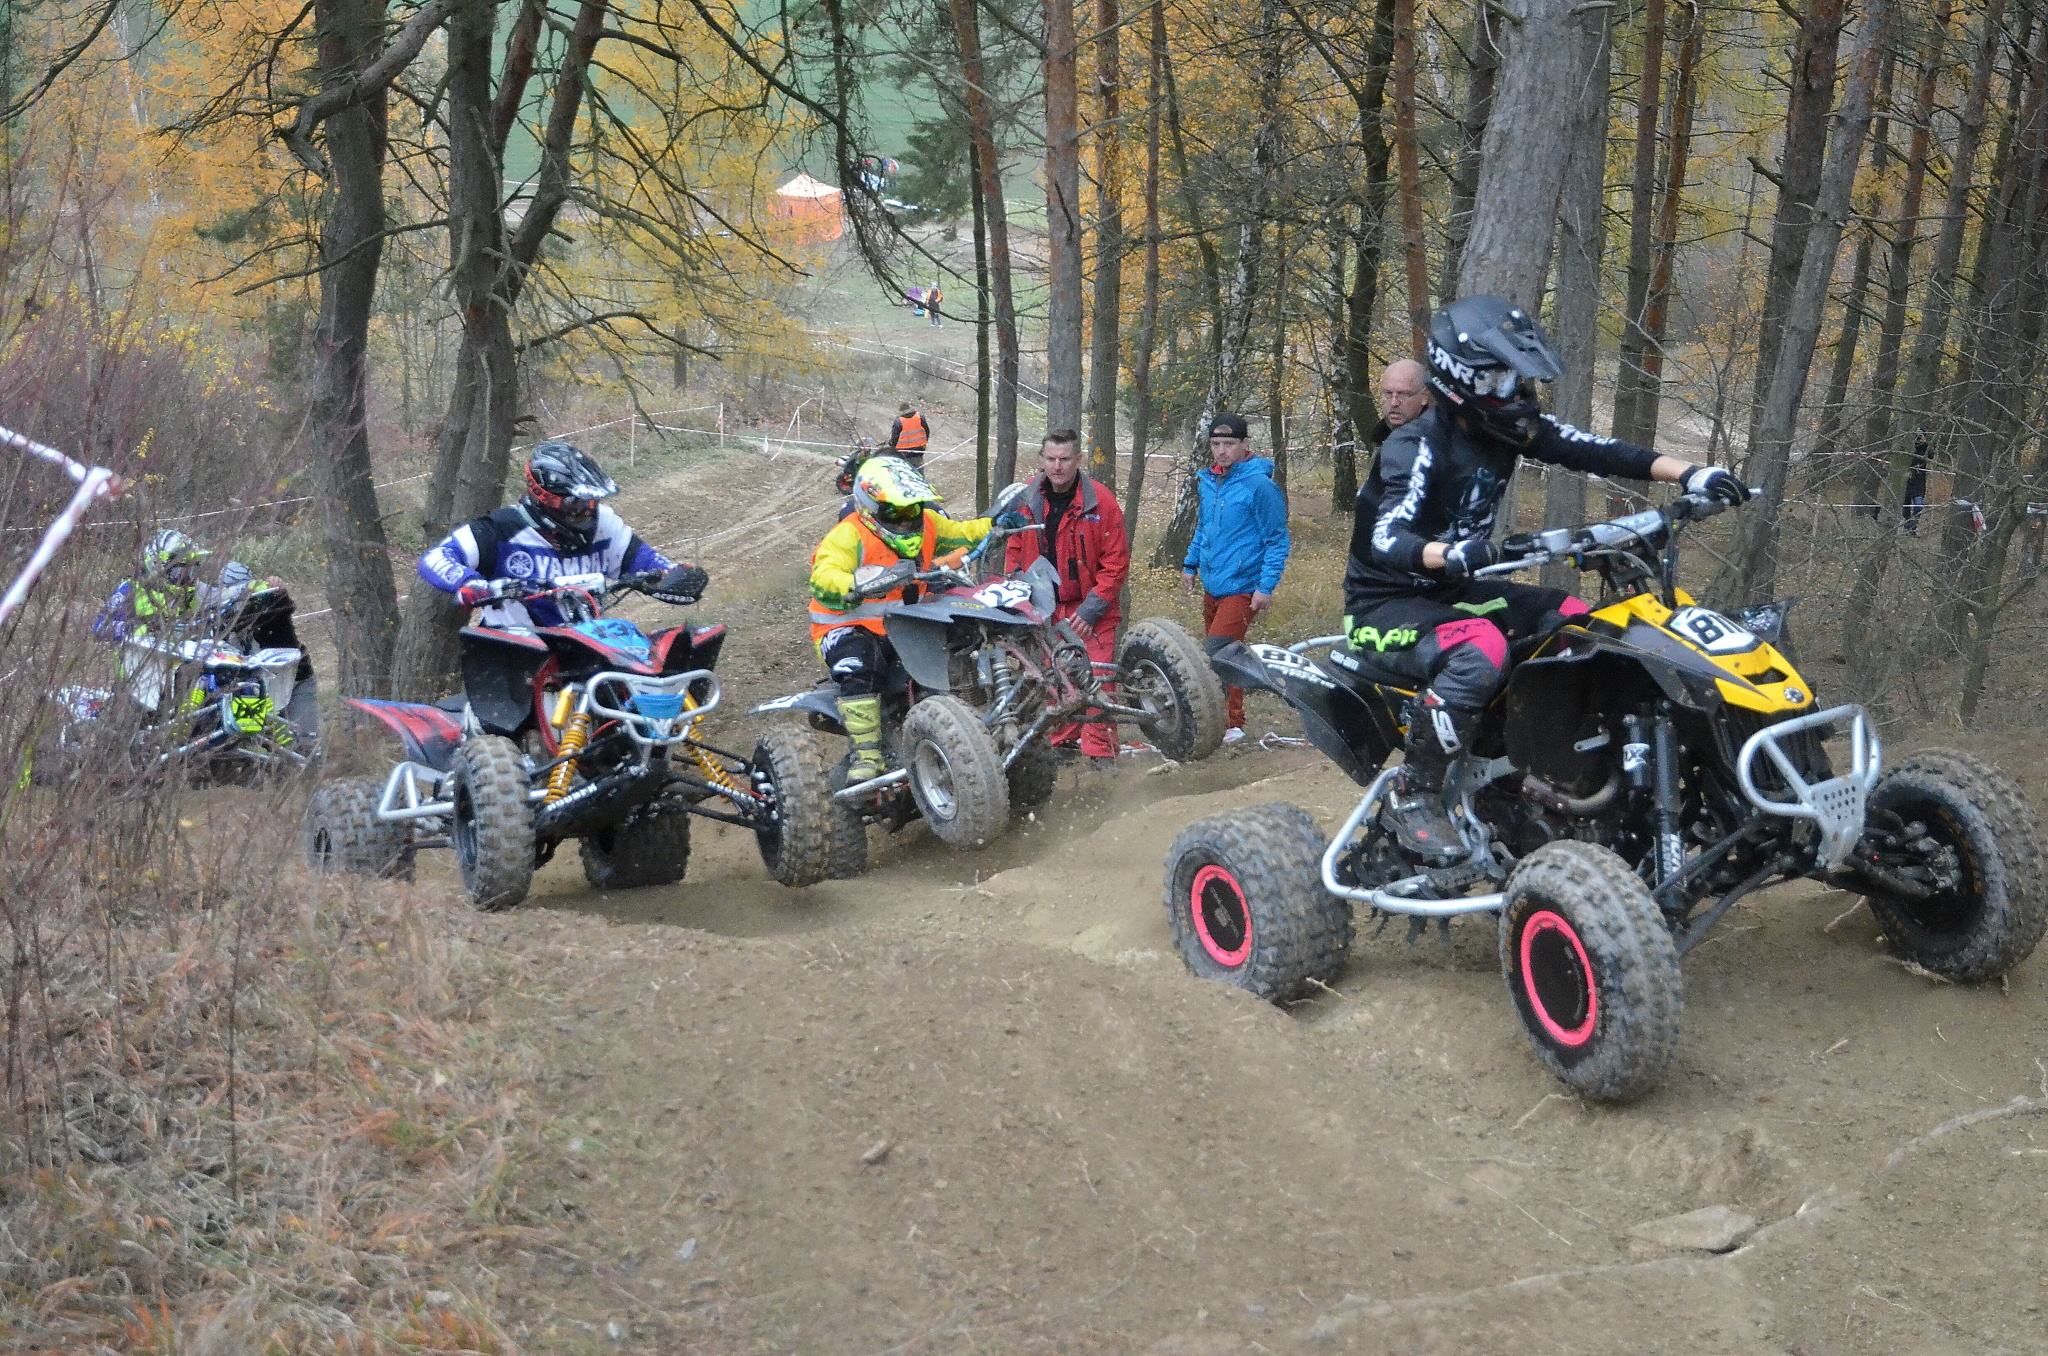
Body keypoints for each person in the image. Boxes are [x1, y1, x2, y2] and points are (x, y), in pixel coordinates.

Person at [1346, 295, 1749, 865]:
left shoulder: (1507, 428)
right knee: (1481, 650)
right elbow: (1386, 538)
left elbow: (1595, 450)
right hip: (1384, 605)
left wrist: (1691, 473)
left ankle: (1561, 771)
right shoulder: (1416, 443)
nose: (1513, 388)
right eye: (1500, 376)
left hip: (1456, 592)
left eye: (1515, 375)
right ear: (1463, 377)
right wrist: (1449, 553)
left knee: (1579, 624)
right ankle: (1415, 791)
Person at [809, 456, 1017, 782]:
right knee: (862, 665)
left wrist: (994, 525)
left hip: (905, 624)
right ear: (870, 508)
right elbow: (823, 576)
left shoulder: (929, 523)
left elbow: (961, 533)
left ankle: (970, 729)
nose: (907, 520)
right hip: (847, 628)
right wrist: (856, 585)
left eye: (912, 510)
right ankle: (867, 755)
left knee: (957, 647)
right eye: (896, 512)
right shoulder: (847, 536)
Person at [418, 441, 705, 629]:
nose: (585, 511)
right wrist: (473, 585)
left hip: (581, 648)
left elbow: (648, 563)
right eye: (574, 504)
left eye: (590, 502)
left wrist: (675, 575)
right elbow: (436, 558)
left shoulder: (605, 524)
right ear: (545, 499)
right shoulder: (500, 529)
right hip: (512, 653)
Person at [1003, 430, 1131, 765]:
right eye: (1051, 459)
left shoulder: (1100, 502)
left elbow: (1116, 563)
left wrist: (1091, 610)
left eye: (1064, 459)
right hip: (1046, 609)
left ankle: (1102, 761)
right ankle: (1061, 751)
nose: (1057, 466)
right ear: (1041, 459)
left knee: (1097, 685)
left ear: (1078, 460)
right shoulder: (1027, 499)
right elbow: (1014, 549)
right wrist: (1017, 594)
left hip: (1091, 610)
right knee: (1056, 686)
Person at [1180, 412, 1291, 744]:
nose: (1222, 451)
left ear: (1245, 445)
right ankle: (1226, 721)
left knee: (1218, 652)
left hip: (1243, 586)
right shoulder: (1209, 482)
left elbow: (1277, 540)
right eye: (1216, 444)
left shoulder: (1260, 486)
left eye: (1229, 443)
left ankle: (1232, 724)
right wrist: (1190, 563)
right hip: (1213, 582)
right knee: (1223, 655)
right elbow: (1204, 528)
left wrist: (1265, 587)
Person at [1376, 357, 1430, 438]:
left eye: (1403, 394)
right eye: (1388, 393)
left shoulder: (1439, 439)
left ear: (1424, 396)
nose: (1394, 403)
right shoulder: (1379, 438)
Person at [886, 402, 930, 469]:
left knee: (904, 469)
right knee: (918, 468)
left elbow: (895, 438)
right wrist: (925, 442)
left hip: (903, 452)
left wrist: (891, 445)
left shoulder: (899, 421)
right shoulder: (920, 417)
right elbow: (927, 431)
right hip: (919, 450)